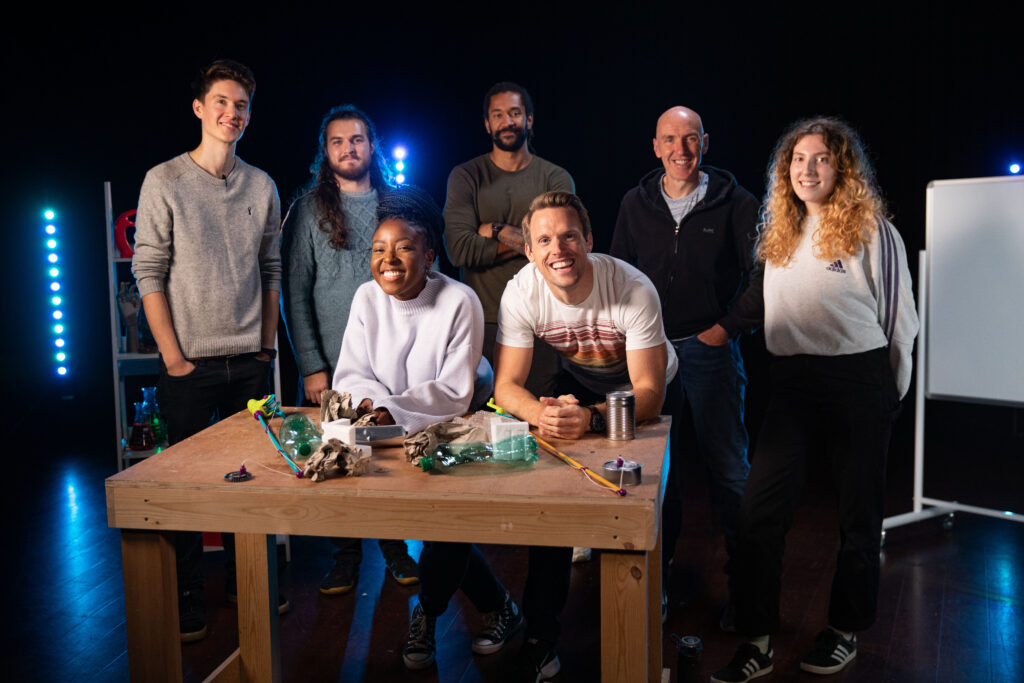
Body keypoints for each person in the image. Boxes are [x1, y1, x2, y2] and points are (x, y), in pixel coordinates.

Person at [711, 118, 919, 683]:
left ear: (842, 168)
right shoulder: (778, 231)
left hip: (859, 381)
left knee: (858, 518)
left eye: (821, 158)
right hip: (793, 385)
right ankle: (756, 640)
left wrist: (888, 394)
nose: (807, 169)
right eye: (798, 159)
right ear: (787, 171)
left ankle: (845, 630)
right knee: (760, 513)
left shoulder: (873, 231)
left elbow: (900, 321)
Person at [492, 190, 678, 680]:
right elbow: (506, 387)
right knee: (554, 502)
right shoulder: (520, 291)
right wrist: (542, 414)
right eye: (546, 239)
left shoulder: (633, 287)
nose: (560, 248)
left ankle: (658, 580)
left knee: (654, 493)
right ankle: (540, 638)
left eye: (570, 235)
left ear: (588, 239)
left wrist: (594, 418)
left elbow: (649, 393)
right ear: (530, 251)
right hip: (587, 380)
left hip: (646, 384)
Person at [131, 58, 284, 642]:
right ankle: (189, 593)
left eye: (241, 105)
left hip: (250, 361)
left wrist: (267, 350)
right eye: (221, 102)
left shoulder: (261, 184)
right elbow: (149, 273)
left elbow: (271, 269)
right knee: (189, 486)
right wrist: (173, 359)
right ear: (200, 109)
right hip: (189, 363)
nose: (232, 114)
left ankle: (248, 585)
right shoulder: (164, 180)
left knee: (255, 479)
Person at [325, 187, 509, 672]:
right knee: (436, 527)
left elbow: (453, 391)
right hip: (384, 423)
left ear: (429, 254)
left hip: (452, 423)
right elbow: (350, 373)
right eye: (378, 249)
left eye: (404, 248)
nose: (388, 259)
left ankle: (426, 615)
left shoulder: (459, 301)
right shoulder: (367, 297)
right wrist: (378, 407)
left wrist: (389, 411)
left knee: (443, 527)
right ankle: (501, 609)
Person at [610, 106, 762, 598]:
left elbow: (764, 275)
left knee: (729, 468)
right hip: (649, 351)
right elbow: (617, 270)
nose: (681, 150)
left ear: (705, 143)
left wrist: (725, 329)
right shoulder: (635, 202)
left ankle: (747, 584)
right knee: (655, 472)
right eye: (670, 139)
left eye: (690, 139)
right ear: (655, 146)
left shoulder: (736, 201)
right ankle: (658, 578)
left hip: (708, 348)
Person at [279, 105, 419, 595]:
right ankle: (344, 558)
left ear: (372, 145)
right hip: (333, 367)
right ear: (326, 150)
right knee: (337, 461)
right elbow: (294, 292)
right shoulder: (308, 210)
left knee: (387, 459)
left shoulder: (396, 204)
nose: (349, 148)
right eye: (338, 141)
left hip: (391, 363)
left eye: (357, 139)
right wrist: (313, 366)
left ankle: (396, 549)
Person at [443, 81, 574, 398]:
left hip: (543, 319)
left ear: (529, 119)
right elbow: (459, 249)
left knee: (540, 422)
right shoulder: (466, 176)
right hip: (482, 321)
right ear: (487, 123)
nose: (507, 122)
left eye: (515, 113)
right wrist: (536, 242)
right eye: (498, 115)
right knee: (482, 427)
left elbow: (562, 250)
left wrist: (497, 229)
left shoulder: (555, 178)